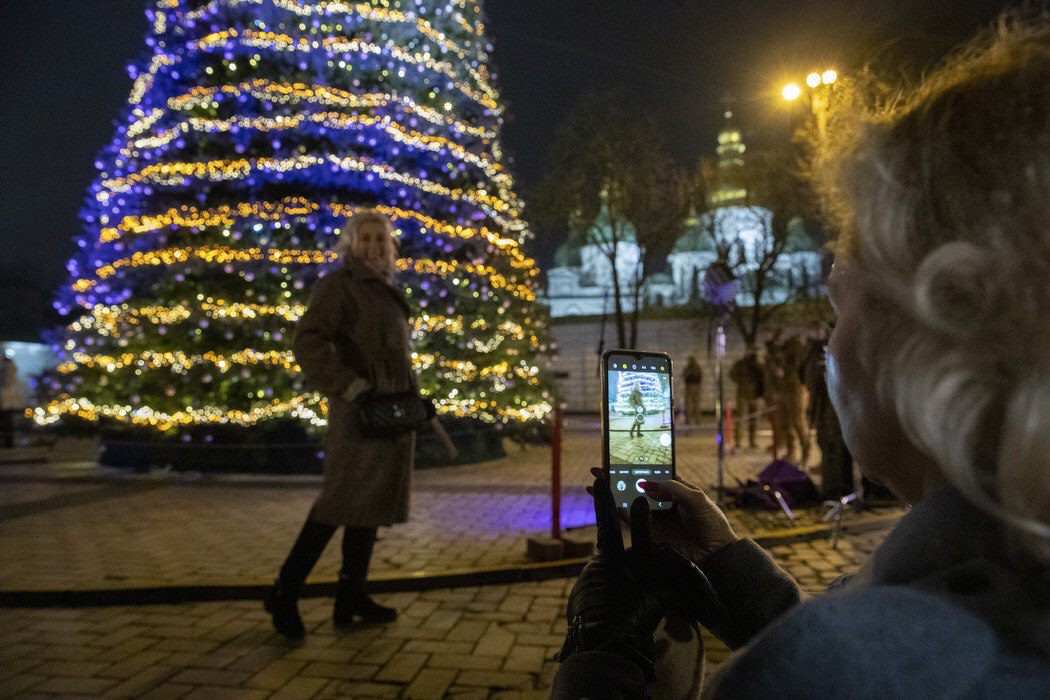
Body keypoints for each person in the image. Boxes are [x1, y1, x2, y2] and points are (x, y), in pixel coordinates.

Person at [552, 17, 1050, 697]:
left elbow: (844, 663)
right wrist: (731, 570)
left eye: (841, 306)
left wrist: (602, 653)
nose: (828, 345)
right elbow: (867, 629)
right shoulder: (1000, 580)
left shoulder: (826, 674)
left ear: (928, 350)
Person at [265, 210, 419, 638]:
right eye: (364, 238)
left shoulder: (384, 287)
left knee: (368, 506)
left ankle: (351, 594)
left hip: (388, 412)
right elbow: (307, 341)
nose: (373, 246)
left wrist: (411, 398)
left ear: (390, 245)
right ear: (350, 243)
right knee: (337, 504)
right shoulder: (338, 286)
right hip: (359, 414)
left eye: (379, 239)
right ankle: (284, 591)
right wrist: (350, 385)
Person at [802, 322, 854, 497]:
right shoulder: (812, 351)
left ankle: (839, 488)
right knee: (825, 443)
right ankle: (830, 486)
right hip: (822, 405)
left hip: (835, 408)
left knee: (837, 448)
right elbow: (805, 373)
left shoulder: (836, 348)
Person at [728, 346, 762, 449]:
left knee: (754, 419)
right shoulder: (741, 363)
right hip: (742, 394)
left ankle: (752, 441)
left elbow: (762, 377)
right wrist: (741, 382)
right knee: (741, 418)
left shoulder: (758, 364)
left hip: (755, 395)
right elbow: (732, 374)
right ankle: (738, 441)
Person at [0, 355, 23, 448]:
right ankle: (9, 442)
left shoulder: (3, 371)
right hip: (11, 401)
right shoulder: (13, 371)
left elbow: (4, 384)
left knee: (5, 423)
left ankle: (7, 442)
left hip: (4, 401)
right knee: (10, 422)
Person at [682, 356, 703, 426]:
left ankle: (689, 420)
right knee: (695, 404)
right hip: (695, 386)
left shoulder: (689, 368)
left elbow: (683, 375)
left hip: (690, 386)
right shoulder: (696, 368)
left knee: (689, 404)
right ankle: (696, 420)